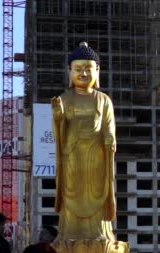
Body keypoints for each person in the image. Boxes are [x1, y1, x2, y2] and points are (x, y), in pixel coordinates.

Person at [51, 41, 116, 242]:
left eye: (88, 69)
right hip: (72, 154)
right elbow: (59, 131)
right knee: (71, 192)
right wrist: (58, 116)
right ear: (69, 72)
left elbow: (108, 124)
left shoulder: (103, 99)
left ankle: (99, 234)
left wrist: (110, 138)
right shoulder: (65, 98)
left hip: (96, 154)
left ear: (97, 71)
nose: (83, 74)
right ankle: (69, 234)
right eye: (78, 69)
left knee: (98, 191)